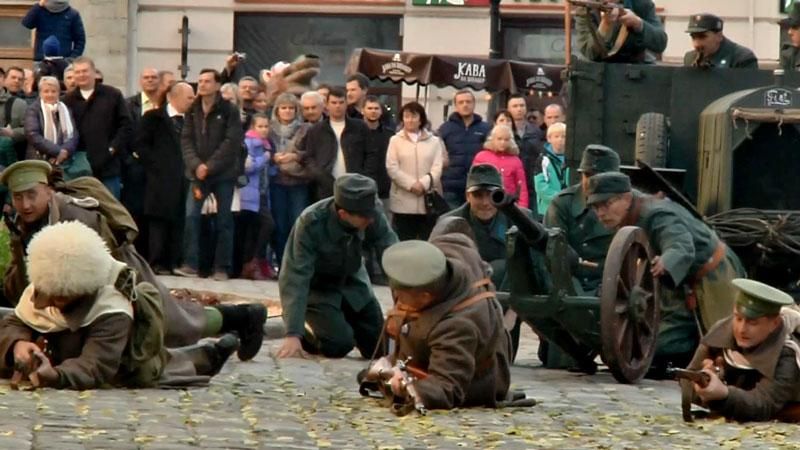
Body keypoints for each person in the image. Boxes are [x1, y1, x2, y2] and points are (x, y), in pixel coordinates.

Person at [0, 160, 267, 361]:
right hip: (89, 293)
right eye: (18, 197)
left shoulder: (74, 215)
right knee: (176, 322)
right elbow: (20, 287)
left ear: (47, 191)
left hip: (122, 276)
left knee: (173, 325)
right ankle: (237, 321)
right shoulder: (25, 225)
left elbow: (93, 271)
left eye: (31, 195)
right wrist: (18, 244)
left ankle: (244, 316)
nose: (25, 204)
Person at [0, 221, 239, 390]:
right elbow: (15, 320)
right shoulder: (49, 277)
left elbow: (96, 364)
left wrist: (57, 376)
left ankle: (214, 354)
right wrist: (17, 344)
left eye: (61, 297)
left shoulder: (112, 305)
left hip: (127, 363)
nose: (52, 302)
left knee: (165, 370)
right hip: (67, 354)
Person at [586, 171, 746, 367]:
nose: (600, 213)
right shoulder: (630, 215)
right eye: (595, 207)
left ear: (626, 198)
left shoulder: (656, 214)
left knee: (726, 345)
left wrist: (666, 261)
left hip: (714, 275)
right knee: (653, 342)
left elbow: (681, 246)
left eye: (606, 204)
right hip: (679, 283)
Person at [378, 238, 511, 410]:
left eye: (401, 296)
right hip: (418, 363)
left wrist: (406, 387)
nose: (397, 300)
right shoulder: (442, 276)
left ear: (425, 297)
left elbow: (447, 388)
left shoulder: (458, 326)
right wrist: (385, 370)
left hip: (472, 384)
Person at [276, 174, 398, 359]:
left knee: (380, 350)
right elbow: (295, 277)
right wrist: (293, 333)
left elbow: (392, 254)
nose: (371, 220)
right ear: (343, 214)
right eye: (364, 217)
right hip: (319, 291)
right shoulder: (311, 222)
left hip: (353, 284)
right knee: (338, 346)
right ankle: (309, 331)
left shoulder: (371, 213)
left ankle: (343, 325)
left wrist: (403, 303)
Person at [681, 279, 800, 422]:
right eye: (738, 318)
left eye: (753, 322)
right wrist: (707, 380)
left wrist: (724, 393)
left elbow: (764, 404)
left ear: (774, 324)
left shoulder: (787, 353)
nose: (742, 329)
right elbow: (688, 378)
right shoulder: (721, 332)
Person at [181, 68, 242, 281]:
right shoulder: (192, 110)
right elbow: (186, 139)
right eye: (200, 80)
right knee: (191, 216)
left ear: (217, 85)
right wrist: (196, 164)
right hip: (198, 174)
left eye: (207, 81)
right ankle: (191, 263)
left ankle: (222, 267)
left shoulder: (229, 110)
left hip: (223, 174)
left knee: (224, 220)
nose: (203, 85)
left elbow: (231, 142)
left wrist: (211, 165)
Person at [442, 164, 534, 289]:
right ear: (467, 196)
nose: (485, 203)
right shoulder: (450, 223)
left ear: (501, 196)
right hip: (467, 292)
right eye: (478, 195)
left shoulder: (521, 218)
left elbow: (535, 266)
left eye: (492, 195)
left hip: (514, 291)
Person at [544, 145, 619, 294]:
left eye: (599, 177)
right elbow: (553, 252)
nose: (591, 182)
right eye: (588, 175)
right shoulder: (562, 204)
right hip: (571, 282)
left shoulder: (625, 203)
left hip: (612, 283)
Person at [137, 81, 194, 276]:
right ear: (173, 97)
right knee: (158, 221)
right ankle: (156, 261)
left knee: (179, 221)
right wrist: (156, 166)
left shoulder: (192, 120)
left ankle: (174, 261)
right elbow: (141, 145)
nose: (192, 101)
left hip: (184, 179)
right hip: (159, 179)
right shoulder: (153, 118)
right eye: (189, 97)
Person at [63, 56, 132, 199]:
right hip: (79, 168)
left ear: (94, 72)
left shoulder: (113, 95)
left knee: (111, 212)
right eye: (78, 72)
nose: (81, 75)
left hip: (108, 167)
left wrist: (112, 148)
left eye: (85, 71)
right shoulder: (67, 100)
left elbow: (126, 125)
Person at [299, 87, 373, 202]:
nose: (337, 106)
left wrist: (362, 175)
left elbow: (371, 154)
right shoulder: (316, 130)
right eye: (333, 103)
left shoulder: (360, 127)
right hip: (325, 187)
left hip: (355, 185)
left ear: (346, 103)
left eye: (341, 102)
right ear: (326, 105)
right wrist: (319, 175)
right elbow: (309, 158)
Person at [386, 101, 444, 241]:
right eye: (406, 116)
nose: (410, 120)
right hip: (403, 201)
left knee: (427, 241)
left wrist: (424, 184)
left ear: (421, 119)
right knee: (405, 241)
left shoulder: (434, 141)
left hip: (428, 201)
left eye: (414, 116)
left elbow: (437, 166)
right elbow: (392, 167)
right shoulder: (395, 141)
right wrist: (411, 184)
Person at [268, 92, 309, 269]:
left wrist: (294, 156)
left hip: (298, 182)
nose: (287, 111)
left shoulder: (305, 129)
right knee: (279, 224)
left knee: (297, 223)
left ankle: (296, 264)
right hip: (276, 181)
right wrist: (272, 157)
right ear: (277, 110)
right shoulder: (269, 128)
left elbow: (310, 152)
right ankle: (281, 262)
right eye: (283, 108)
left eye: (291, 108)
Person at [124, 67, 162, 257]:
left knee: (155, 212)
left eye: (154, 77)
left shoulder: (165, 103)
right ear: (140, 81)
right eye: (146, 77)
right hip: (136, 165)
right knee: (136, 209)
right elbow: (126, 131)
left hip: (159, 167)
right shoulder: (130, 104)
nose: (150, 81)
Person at [438, 90, 491, 208]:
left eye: (468, 101)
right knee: (453, 222)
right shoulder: (445, 129)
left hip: (477, 185)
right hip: (451, 186)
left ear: (474, 104)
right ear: (456, 106)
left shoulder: (486, 128)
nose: (465, 105)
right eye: (461, 102)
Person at [234, 113, 272, 280]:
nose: (264, 130)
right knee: (267, 225)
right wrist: (264, 158)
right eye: (260, 126)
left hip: (261, 193)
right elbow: (247, 167)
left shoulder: (266, 145)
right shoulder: (249, 143)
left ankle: (249, 264)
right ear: (253, 128)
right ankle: (252, 262)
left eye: (266, 126)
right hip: (248, 192)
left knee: (252, 230)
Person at [574, 0, 667, 63]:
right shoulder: (585, 9)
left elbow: (661, 42)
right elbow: (589, 53)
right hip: (599, 74)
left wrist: (638, 23)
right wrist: (605, 25)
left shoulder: (640, 4)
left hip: (636, 71)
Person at [23, 76, 80, 165]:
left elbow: (74, 134)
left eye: (53, 91)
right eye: (46, 91)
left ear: (58, 93)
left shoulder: (65, 109)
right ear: (40, 93)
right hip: (39, 159)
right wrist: (58, 151)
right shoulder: (33, 110)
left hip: (63, 159)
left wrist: (65, 151)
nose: (50, 94)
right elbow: (32, 134)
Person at [472, 125, 529, 208]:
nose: (502, 142)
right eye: (499, 139)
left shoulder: (516, 161)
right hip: (487, 204)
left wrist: (523, 207)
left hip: (509, 205)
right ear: (492, 139)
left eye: (506, 140)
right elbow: (474, 182)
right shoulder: (481, 157)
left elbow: (522, 187)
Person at [683, 14, 758, 69]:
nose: (697, 44)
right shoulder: (690, 58)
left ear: (719, 36)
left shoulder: (742, 58)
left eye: (702, 37)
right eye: (693, 37)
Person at [506, 95, 544, 191]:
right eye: (515, 106)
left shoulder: (536, 130)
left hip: (532, 179)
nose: (519, 109)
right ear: (508, 109)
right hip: (511, 179)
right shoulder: (505, 131)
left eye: (522, 105)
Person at [534, 122, 569, 216]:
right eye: (556, 136)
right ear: (549, 139)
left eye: (564, 136)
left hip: (568, 207)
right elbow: (540, 185)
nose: (560, 140)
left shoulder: (571, 159)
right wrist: (558, 198)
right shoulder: (543, 160)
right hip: (547, 209)